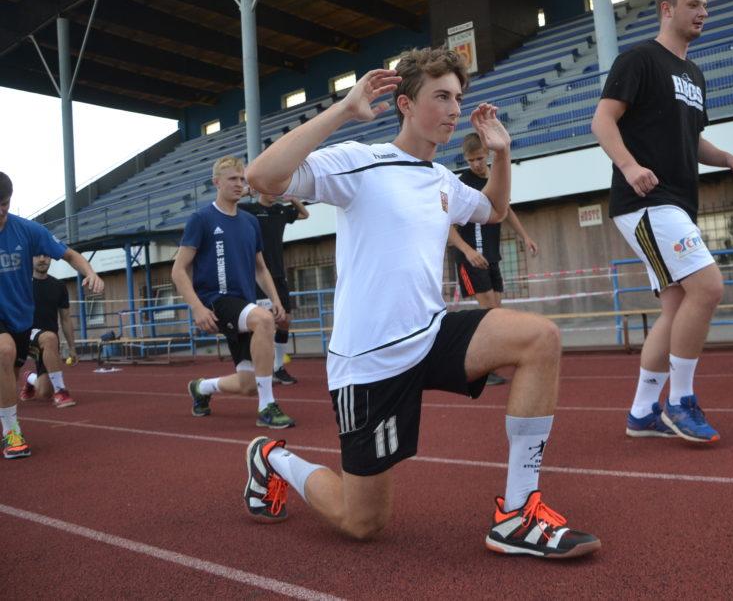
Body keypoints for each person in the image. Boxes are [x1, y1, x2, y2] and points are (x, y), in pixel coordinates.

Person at [243, 48, 600, 558]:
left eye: (458, 98)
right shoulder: (360, 162)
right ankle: (272, 459)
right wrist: (343, 110)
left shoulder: (442, 180)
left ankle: (517, 515)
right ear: (406, 104)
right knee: (363, 522)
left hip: (430, 334)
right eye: (442, 97)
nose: (455, 109)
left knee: (539, 338)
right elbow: (263, 177)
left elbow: (495, 209)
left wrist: (501, 153)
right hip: (369, 362)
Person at [592, 0, 733, 443]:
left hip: (678, 202)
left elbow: (691, 138)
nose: (703, 12)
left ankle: (643, 411)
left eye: (705, 5)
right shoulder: (639, 59)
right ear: (667, 9)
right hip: (646, 201)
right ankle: (680, 402)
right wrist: (629, 166)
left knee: (678, 303)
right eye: (693, 4)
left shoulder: (694, 75)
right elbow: (602, 119)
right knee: (708, 287)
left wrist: (726, 158)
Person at [171, 156, 295, 429]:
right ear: (217, 182)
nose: (239, 184)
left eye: (242, 179)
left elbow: (260, 268)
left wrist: (275, 299)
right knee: (263, 320)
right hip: (216, 300)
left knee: (248, 384)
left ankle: (200, 388)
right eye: (232, 179)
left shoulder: (250, 221)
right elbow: (178, 270)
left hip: (243, 303)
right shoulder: (202, 219)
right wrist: (197, 307)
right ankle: (267, 407)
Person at [0, 172, 104, 459]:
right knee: (4, 352)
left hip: (20, 315)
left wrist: (91, 272)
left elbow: (70, 255)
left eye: (4, 204)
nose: (0, 212)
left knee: (10, 371)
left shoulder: (27, 230)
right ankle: (12, 432)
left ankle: (8, 417)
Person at [448, 132, 539, 385]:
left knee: (495, 310)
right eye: (471, 160)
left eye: (479, 158)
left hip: (492, 255)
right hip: (471, 257)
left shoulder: (494, 179)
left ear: (487, 155)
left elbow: (505, 209)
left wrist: (525, 236)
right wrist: (468, 251)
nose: (476, 164)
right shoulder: (462, 185)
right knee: (489, 313)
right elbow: (446, 223)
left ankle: (488, 360)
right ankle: (481, 366)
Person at [238, 190, 309, 385]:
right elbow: (226, 206)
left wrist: (293, 198)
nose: (273, 194)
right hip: (259, 276)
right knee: (265, 322)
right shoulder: (249, 209)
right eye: (268, 190)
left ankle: (278, 368)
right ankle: (260, 368)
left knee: (285, 320)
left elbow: (304, 214)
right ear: (260, 190)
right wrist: (246, 191)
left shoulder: (280, 211)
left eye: (275, 191)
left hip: (278, 275)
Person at [19, 254, 80, 408]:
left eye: (45, 256)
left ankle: (30, 378)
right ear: (30, 258)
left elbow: (65, 319)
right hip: (26, 336)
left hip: (49, 343)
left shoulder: (59, 286)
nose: (42, 259)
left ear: (51, 258)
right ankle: (61, 391)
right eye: (37, 256)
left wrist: (72, 348)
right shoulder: (21, 284)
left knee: (45, 392)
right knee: (49, 337)